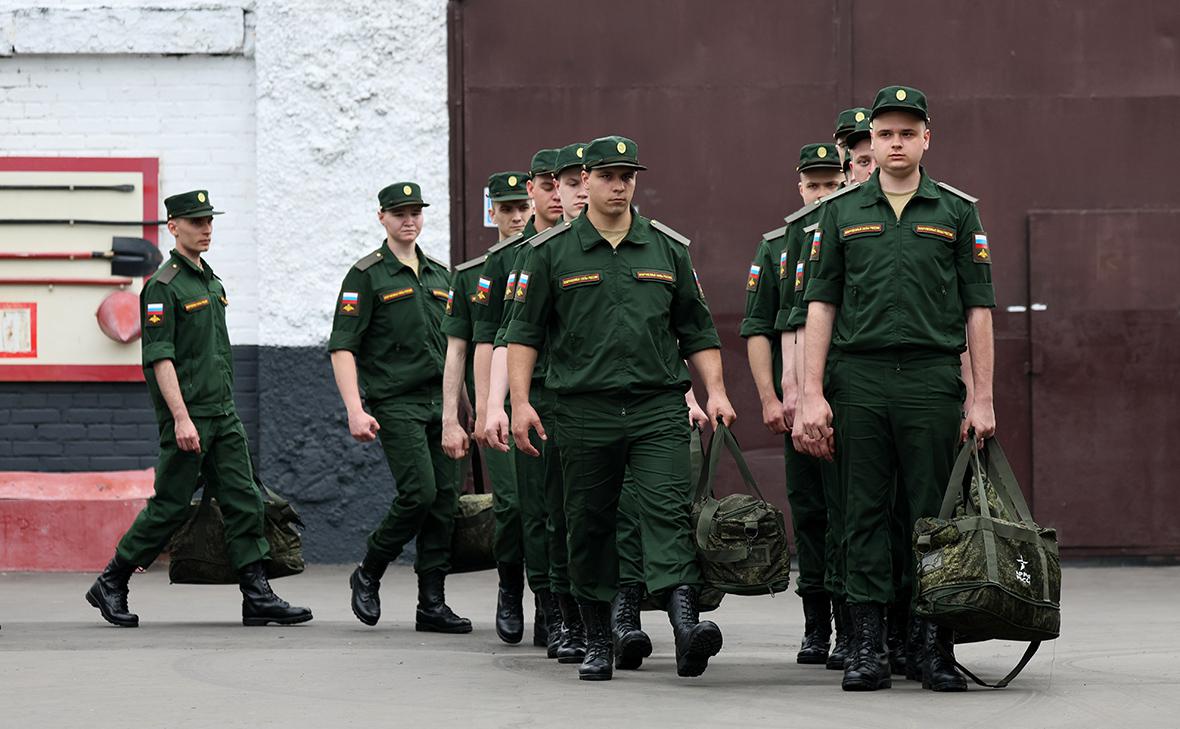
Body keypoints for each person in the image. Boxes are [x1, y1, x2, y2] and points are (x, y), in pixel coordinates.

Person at [506, 135, 736, 681]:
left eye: (627, 176)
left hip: (656, 405)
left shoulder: (666, 249)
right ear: (586, 180)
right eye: (607, 175)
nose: (618, 184)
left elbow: (696, 329)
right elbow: (523, 334)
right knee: (589, 523)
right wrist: (519, 402)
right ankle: (594, 637)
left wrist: (716, 391)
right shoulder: (550, 253)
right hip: (581, 408)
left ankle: (685, 628)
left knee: (666, 511)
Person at [798, 85, 996, 692]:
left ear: (926, 138)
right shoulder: (840, 212)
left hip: (931, 381)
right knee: (861, 514)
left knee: (930, 517)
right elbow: (821, 306)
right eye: (885, 134)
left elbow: (979, 310)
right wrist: (811, 392)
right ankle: (866, 648)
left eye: (907, 133)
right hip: (858, 379)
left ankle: (932, 646)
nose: (895, 143)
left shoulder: (957, 213)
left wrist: (981, 395)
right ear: (870, 142)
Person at [86, 190, 312, 628]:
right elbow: (159, 357)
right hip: (188, 418)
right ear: (173, 227)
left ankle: (256, 593)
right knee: (170, 505)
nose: (206, 229)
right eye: (196, 222)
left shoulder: (210, 281)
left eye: (209, 221)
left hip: (223, 414)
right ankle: (112, 580)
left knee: (245, 499)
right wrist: (181, 418)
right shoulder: (163, 286)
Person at [330, 182, 470, 634]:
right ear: (382, 218)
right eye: (399, 213)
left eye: (415, 212)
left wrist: (467, 408)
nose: (408, 220)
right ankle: (369, 569)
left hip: (442, 404)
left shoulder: (439, 275)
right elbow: (343, 347)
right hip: (397, 402)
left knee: (444, 502)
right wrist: (355, 408)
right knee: (420, 494)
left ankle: (432, 602)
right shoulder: (366, 276)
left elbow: (456, 348)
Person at [744, 143, 843, 665]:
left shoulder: (850, 235)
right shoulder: (778, 245)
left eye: (832, 183)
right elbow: (759, 326)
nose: (822, 193)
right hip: (798, 405)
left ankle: (858, 627)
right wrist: (769, 396)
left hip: (853, 399)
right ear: (798, 185)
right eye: (814, 184)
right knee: (810, 513)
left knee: (856, 516)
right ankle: (816, 625)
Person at [474, 160, 562, 646]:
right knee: (516, 506)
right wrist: (490, 406)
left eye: (562, 184)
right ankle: (515, 589)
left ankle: (559, 605)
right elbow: (488, 340)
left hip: (570, 398)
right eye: (547, 185)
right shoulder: (507, 258)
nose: (555, 195)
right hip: (521, 400)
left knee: (566, 508)